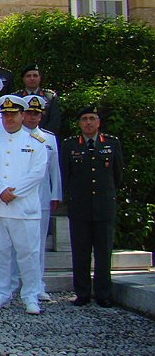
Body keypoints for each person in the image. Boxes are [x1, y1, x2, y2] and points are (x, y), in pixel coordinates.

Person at [0, 96, 48, 315]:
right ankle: (1, 293)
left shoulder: (35, 143)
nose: (8, 119)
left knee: (28, 254)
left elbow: (37, 173)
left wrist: (13, 192)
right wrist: (0, 191)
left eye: (13, 114)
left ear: (22, 115)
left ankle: (30, 295)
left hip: (24, 208)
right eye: (5, 115)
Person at [60, 104, 123, 308]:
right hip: (80, 207)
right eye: (85, 118)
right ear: (79, 123)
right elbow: (66, 176)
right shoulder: (70, 145)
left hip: (104, 206)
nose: (88, 122)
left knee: (104, 253)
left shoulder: (111, 144)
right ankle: (83, 293)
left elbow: (117, 175)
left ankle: (103, 294)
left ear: (99, 122)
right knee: (81, 252)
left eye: (92, 118)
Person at [22, 94, 62, 302]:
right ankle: (16, 284)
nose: (32, 117)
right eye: (29, 113)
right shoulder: (14, 136)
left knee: (37, 246)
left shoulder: (49, 138)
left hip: (41, 197)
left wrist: (56, 194)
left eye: (36, 114)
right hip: (18, 199)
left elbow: (55, 170)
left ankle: (38, 285)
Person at [16, 64, 61, 134]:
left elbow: (54, 121)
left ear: (40, 78)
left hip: (44, 137)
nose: (32, 78)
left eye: (35, 76)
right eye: (28, 76)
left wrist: (41, 135)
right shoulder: (16, 97)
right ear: (23, 79)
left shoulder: (50, 97)